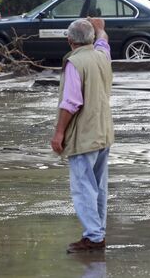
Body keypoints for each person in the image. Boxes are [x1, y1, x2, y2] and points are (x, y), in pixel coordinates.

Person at [51, 17, 114, 254]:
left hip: (84, 136)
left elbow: (70, 103)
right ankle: (97, 232)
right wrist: (100, 29)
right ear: (91, 39)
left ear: (69, 40)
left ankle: (94, 236)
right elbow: (104, 42)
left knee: (83, 187)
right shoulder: (102, 55)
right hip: (103, 132)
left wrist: (59, 133)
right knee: (98, 186)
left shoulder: (74, 63)